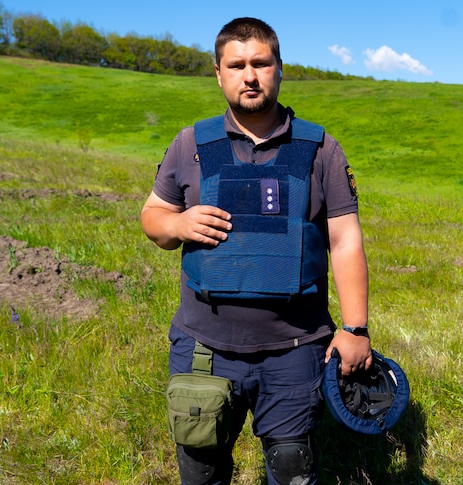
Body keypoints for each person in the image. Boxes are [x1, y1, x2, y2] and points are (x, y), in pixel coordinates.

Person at [140, 17, 372, 485]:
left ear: (280, 69)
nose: (250, 75)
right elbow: (153, 218)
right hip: (205, 349)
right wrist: (178, 223)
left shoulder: (320, 148)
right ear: (219, 73)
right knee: (200, 471)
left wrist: (355, 328)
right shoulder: (191, 144)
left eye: (261, 63)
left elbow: (345, 239)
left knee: (292, 472)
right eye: (237, 64)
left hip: (296, 349)